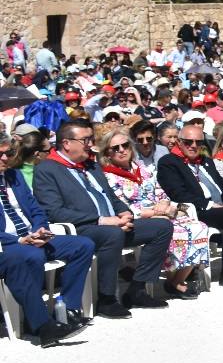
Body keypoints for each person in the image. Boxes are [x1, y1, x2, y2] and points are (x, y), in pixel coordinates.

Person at [34, 119, 173, 318]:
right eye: (85, 140)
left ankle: (137, 288)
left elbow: (111, 196)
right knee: (112, 234)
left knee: (162, 227)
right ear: (66, 143)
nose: (90, 144)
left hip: (113, 224)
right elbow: (54, 212)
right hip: (84, 227)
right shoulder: (47, 170)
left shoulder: (90, 165)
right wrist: (102, 220)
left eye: (90, 138)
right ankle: (107, 298)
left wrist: (125, 212)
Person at [0, 130, 96, 346]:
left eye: (7, 153)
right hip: (9, 244)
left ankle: (68, 310)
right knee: (31, 256)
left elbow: (36, 209)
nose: (5, 158)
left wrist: (40, 229)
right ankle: (35, 319)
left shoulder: (13, 177)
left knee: (83, 245)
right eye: (0, 155)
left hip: (32, 236)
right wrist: (19, 240)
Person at [98, 128, 209, 299]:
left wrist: (164, 203)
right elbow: (120, 206)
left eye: (125, 145)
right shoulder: (108, 177)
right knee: (175, 230)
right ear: (107, 153)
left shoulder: (141, 169)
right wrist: (153, 214)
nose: (122, 150)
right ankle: (173, 282)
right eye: (115, 148)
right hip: (138, 219)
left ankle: (175, 280)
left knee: (198, 226)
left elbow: (160, 191)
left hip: (161, 212)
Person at [157, 122, 223, 286]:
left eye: (199, 142)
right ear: (179, 142)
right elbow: (178, 193)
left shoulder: (206, 161)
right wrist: (211, 205)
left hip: (220, 206)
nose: (194, 146)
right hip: (197, 210)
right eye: (188, 142)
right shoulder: (169, 162)